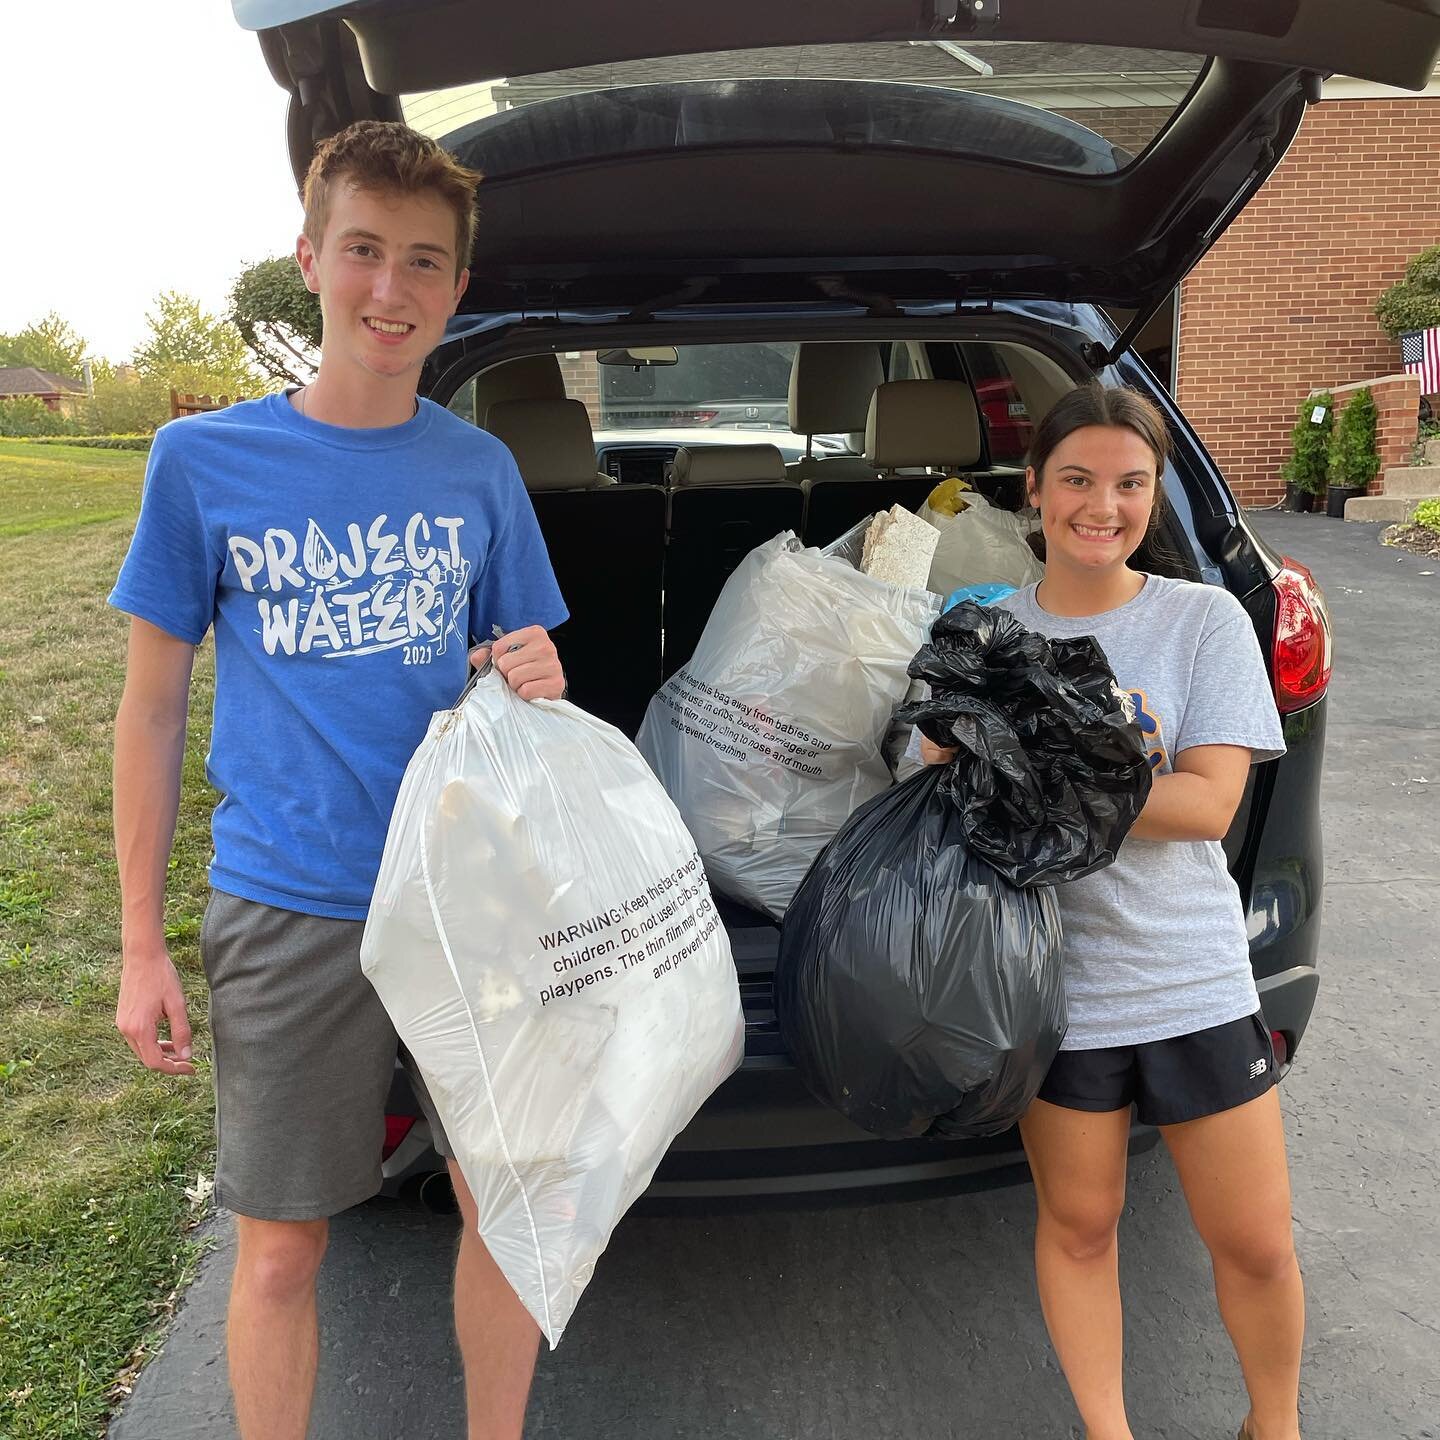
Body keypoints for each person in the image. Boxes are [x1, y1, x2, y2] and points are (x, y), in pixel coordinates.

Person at [111, 120, 567, 1440]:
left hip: (467, 902)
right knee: (279, 1252)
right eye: (362, 251)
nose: (390, 288)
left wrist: (533, 673)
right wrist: (142, 948)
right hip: (290, 903)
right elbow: (150, 713)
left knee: (507, 1214)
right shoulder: (201, 464)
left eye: (424, 262)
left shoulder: (479, 471)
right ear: (309, 259)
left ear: (458, 289)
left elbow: (525, 689)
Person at [921, 383, 1302, 1440]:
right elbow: (932, 771)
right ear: (1034, 489)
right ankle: (1109, 1430)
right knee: (1081, 1224)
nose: (1104, 506)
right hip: (1052, 986)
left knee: (1258, 1241)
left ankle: (1274, 1424)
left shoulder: (1199, 619)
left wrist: (1029, 768)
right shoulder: (985, 631)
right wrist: (958, 749)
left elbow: (1207, 803)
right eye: (1078, 480)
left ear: (1153, 494)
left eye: (1130, 484)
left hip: (1190, 976)